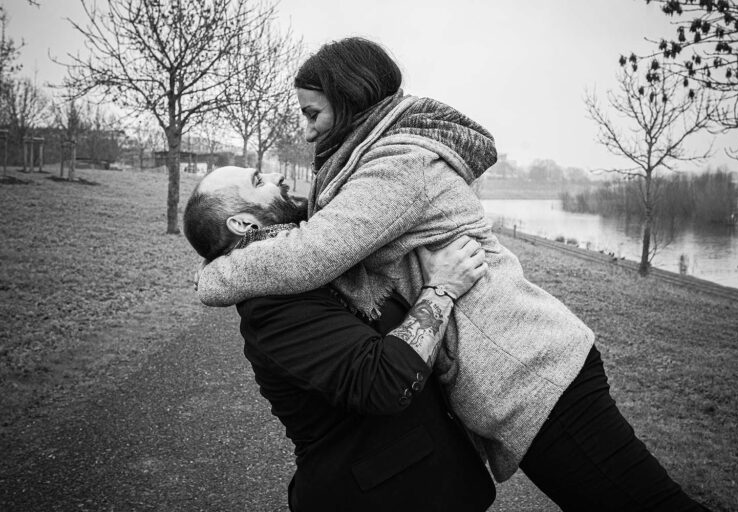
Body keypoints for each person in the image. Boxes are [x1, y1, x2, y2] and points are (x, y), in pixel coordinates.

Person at [196, 38, 710, 511]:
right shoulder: (371, 162)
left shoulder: (399, 164)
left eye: (313, 114)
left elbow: (316, 250)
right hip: (517, 379)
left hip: (532, 372)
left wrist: (217, 274)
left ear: (348, 100)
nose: (306, 131)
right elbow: (315, 231)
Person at [183, 167, 496, 512]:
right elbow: (384, 381)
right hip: (381, 497)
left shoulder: (313, 259)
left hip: (439, 484)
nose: (278, 176)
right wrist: (442, 289)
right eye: (259, 181)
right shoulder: (271, 306)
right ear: (244, 225)